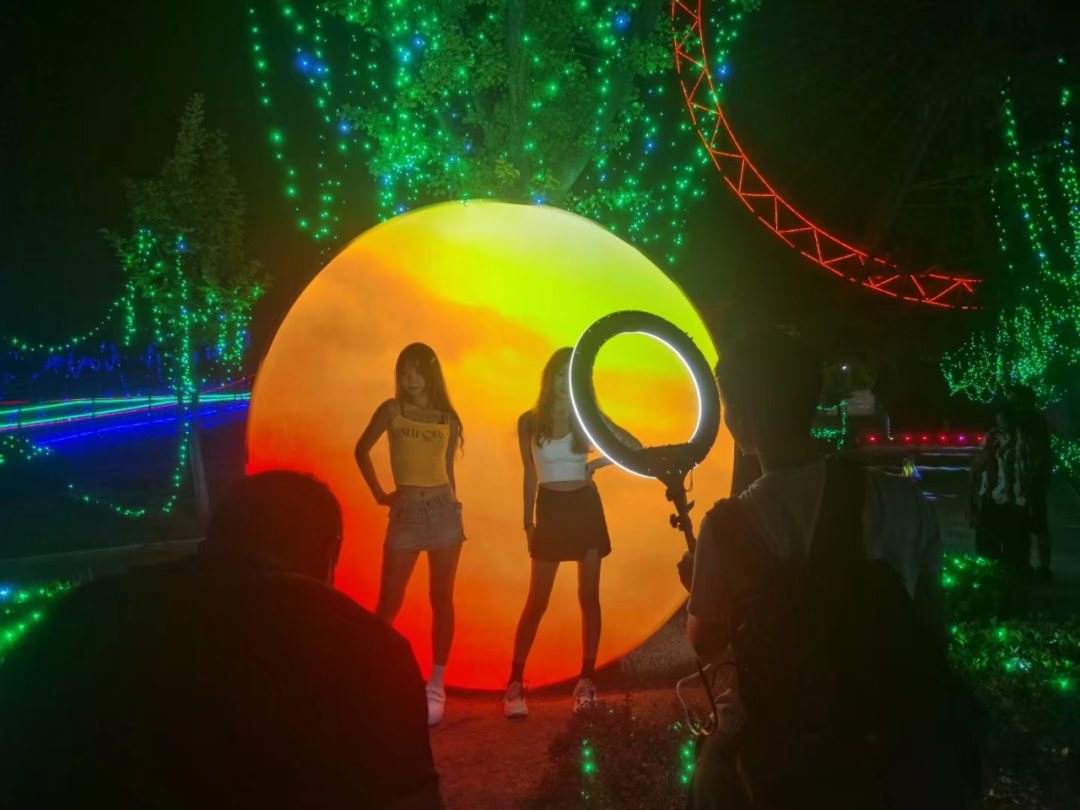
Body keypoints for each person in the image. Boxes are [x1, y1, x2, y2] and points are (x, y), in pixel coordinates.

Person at [0, 471, 444, 809]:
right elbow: (409, 797)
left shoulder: (84, 613)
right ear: (330, 550)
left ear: (217, 533)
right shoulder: (369, 645)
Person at [679, 327, 980, 809]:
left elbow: (705, 642)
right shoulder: (905, 501)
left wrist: (701, 579)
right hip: (897, 750)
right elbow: (931, 626)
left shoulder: (725, 528)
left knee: (712, 775)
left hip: (780, 760)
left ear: (740, 418)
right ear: (813, 400)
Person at [503, 347, 641, 718]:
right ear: (548, 377)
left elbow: (633, 445)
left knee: (588, 595)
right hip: (549, 509)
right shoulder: (529, 421)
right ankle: (514, 683)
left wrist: (596, 463)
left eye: (571, 374)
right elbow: (529, 473)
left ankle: (586, 682)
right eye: (559, 373)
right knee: (537, 600)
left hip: (585, 509)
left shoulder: (586, 417)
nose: (564, 381)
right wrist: (528, 524)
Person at [355, 343, 465, 726]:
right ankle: (368, 675)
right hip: (407, 515)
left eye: (417, 370)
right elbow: (361, 450)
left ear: (430, 373)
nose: (410, 378)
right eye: (404, 371)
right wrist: (380, 494)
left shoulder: (447, 418)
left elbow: (447, 468)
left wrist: (455, 505)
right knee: (389, 600)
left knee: (442, 598)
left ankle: (436, 684)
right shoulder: (392, 410)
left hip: (444, 512)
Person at [970, 404, 1031, 573]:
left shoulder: (1021, 436)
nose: (1002, 420)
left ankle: (1010, 570)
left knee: (1012, 539)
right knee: (992, 539)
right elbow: (979, 464)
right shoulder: (993, 436)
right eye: (1000, 417)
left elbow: (1026, 464)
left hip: (1014, 497)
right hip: (995, 494)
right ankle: (995, 571)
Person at [1010, 385, 1053, 582]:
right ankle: (1029, 565)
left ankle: (1040, 567)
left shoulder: (1032, 421)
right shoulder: (1025, 420)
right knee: (1026, 524)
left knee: (1035, 523)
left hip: (1032, 478)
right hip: (1026, 478)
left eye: (1015, 400)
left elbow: (1040, 452)